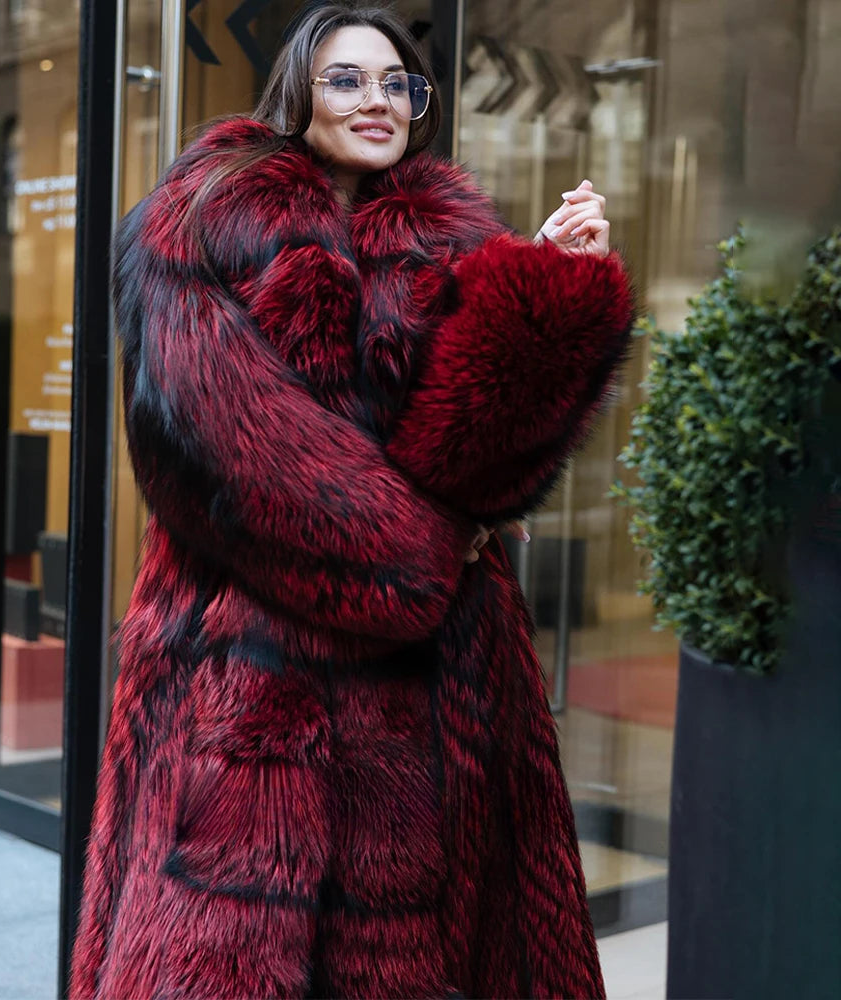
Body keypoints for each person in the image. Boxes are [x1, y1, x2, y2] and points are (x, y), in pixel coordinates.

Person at [70, 4, 633, 998]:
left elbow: (478, 459)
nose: (377, 100)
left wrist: (539, 282)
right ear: (298, 94)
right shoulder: (202, 219)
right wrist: (416, 551)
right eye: (346, 79)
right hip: (249, 682)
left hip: (430, 691)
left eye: (397, 83)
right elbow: (221, 456)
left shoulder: (452, 234)